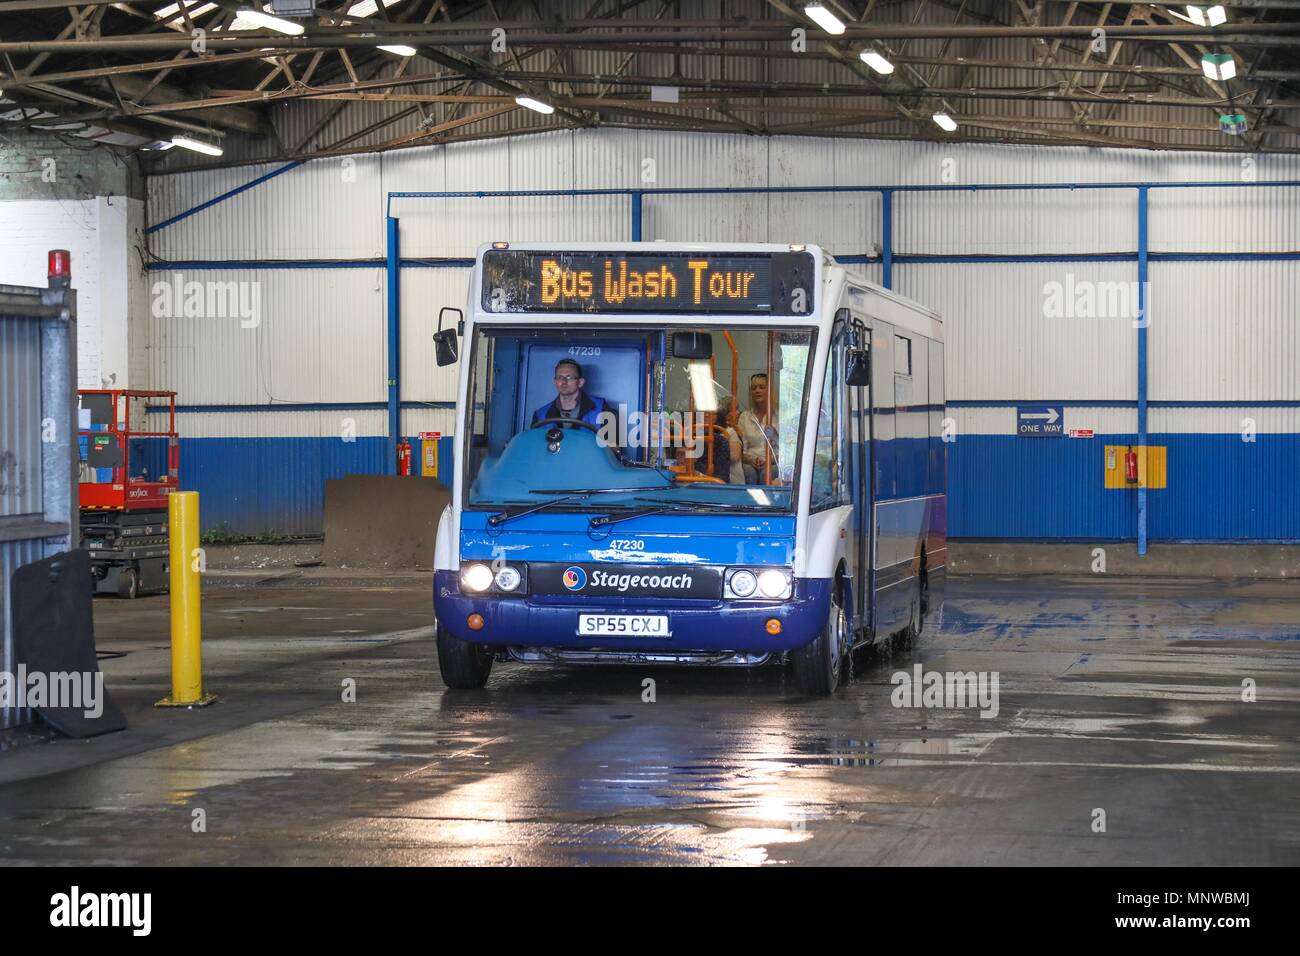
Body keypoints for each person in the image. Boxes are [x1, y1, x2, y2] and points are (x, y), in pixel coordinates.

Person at [531, 358, 610, 427]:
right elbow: (534, 443)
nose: (564, 381)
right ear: (555, 382)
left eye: (569, 377)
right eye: (560, 377)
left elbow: (613, 443)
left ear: (580, 382)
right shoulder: (540, 415)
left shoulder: (601, 408)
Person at [737, 372, 779, 483]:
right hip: (751, 461)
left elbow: (786, 448)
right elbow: (741, 448)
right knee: (748, 472)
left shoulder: (780, 416)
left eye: (761, 387)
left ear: (769, 391)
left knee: (767, 474)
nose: (757, 391)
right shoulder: (744, 417)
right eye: (754, 388)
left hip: (774, 462)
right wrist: (750, 459)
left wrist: (771, 460)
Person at [712, 396, 745, 484]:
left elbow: (735, 456)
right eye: (735, 410)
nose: (738, 413)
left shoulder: (731, 432)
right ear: (725, 414)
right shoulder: (715, 432)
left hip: (732, 481)